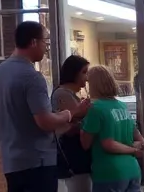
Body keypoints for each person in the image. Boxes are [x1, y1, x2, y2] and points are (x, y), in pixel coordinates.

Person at [0, 21, 89, 192]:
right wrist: (72, 112)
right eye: (45, 42)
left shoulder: (1, 70)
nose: (46, 48)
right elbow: (45, 121)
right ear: (33, 42)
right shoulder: (32, 77)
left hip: (12, 160)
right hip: (37, 161)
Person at [79, 65, 143, 192]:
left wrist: (81, 119)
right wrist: (134, 148)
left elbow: (86, 143)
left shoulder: (95, 109)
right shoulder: (122, 107)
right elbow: (140, 138)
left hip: (108, 171)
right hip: (132, 169)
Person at [52, 55, 92, 192]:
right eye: (84, 72)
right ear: (73, 72)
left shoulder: (72, 95)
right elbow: (69, 128)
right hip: (73, 156)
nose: (87, 78)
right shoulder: (62, 94)